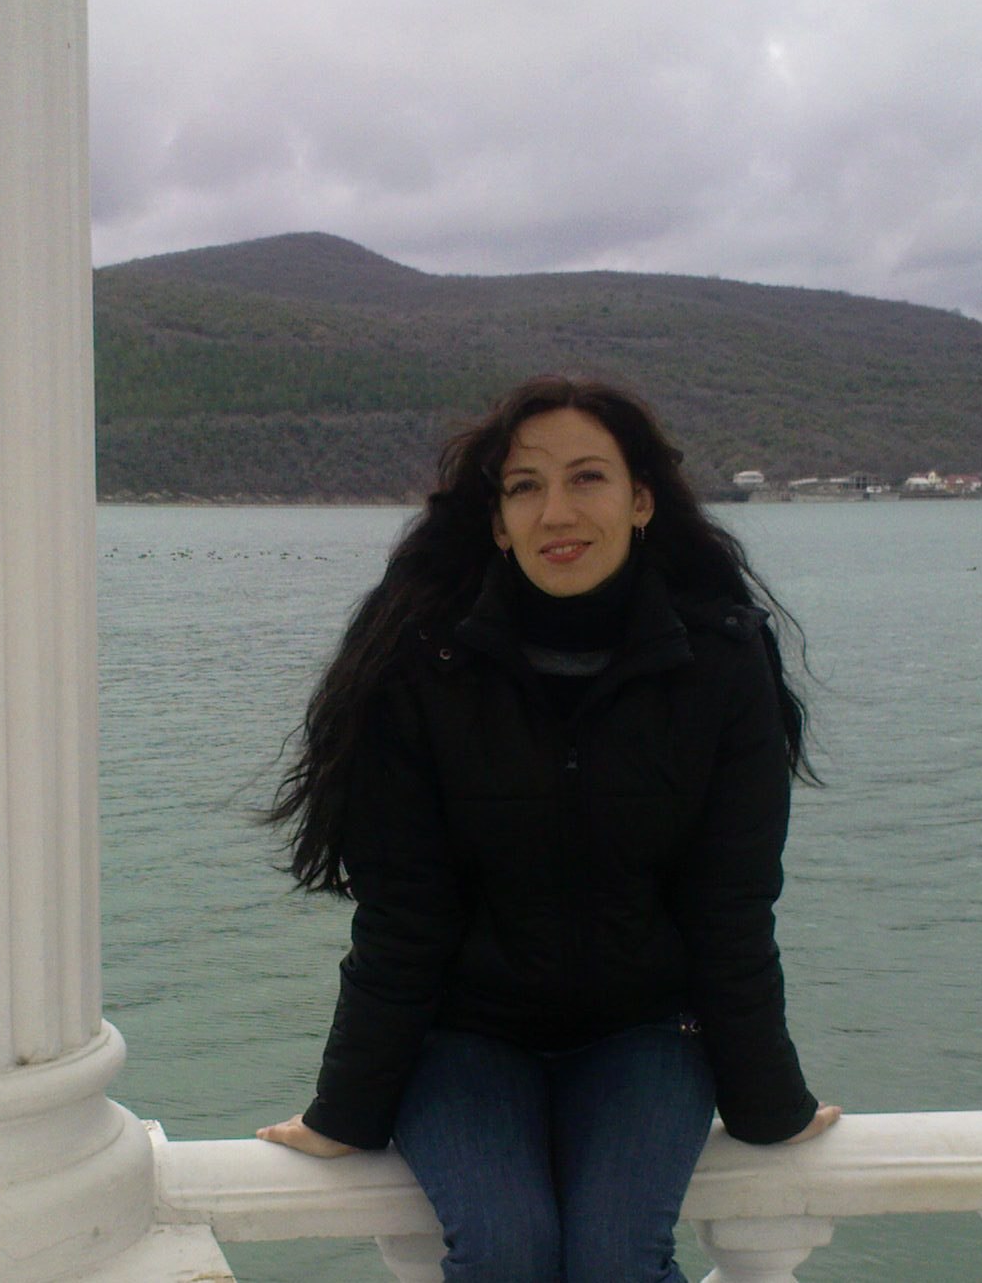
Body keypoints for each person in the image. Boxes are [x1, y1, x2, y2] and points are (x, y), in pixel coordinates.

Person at [257, 375, 840, 1283]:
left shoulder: (719, 662)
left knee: (616, 1260)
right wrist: (347, 1110)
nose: (556, 511)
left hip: (645, 1033)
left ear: (641, 499)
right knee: (505, 1252)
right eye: (524, 486)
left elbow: (730, 904)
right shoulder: (423, 666)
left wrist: (769, 1102)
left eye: (587, 477)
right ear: (497, 521)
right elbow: (404, 914)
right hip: (465, 1037)